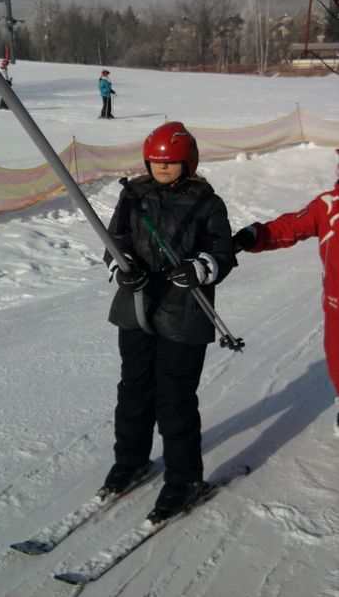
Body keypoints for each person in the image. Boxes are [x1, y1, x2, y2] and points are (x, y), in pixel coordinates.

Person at [101, 121, 235, 521]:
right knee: (134, 390)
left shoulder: (207, 203)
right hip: (137, 306)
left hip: (184, 313)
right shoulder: (133, 195)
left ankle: (184, 479)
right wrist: (120, 268)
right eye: (156, 163)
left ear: (188, 162)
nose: (162, 169)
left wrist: (201, 267)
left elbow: (223, 253)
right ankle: (130, 460)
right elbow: (114, 241)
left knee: (174, 398)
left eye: (171, 163)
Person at [232, 150, 339, 434]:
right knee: (338, 359)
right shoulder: (328, 206)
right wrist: (258, 235)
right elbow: (291, 226)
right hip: (336, 307)